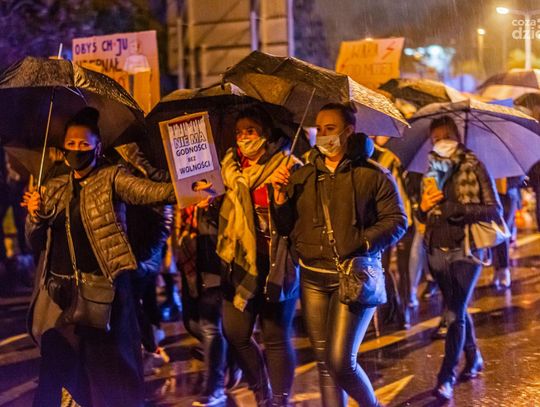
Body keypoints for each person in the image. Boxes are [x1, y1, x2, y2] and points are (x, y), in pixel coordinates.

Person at [23, 107, 176, 407]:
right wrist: (34, 216)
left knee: (107, 378)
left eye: (84, 143)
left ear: (97, 147)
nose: (76, 149)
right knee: (55, 366)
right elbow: (35, 242)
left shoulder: (112, 178)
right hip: (60, 297)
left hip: (104, 297)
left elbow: (148, 192)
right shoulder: (54, 188)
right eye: (71, 143)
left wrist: (185, 190)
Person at [271, 103, 407, 407]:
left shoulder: (372, 174)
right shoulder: (302, 175)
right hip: (313, 278)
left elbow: (397, 221)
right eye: (319, 129)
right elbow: (285, 227)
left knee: (340, 361)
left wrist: (360, 242)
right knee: (324, 363)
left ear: (348, 131)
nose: (323, 135)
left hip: (353, 276)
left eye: (330, 129)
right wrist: (280, 198)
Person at [216, 106, 299, 407]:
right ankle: (261, 391)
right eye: (239, 132)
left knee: (275, 337)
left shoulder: (288, 166)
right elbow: (222, 218)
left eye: (250, 130)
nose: (243, 137)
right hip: (239, 263)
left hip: (276, 263)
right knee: (235, 332)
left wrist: (282, 194)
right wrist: (208, 202)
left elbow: (297, 223)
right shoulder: (228, 170)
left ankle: (279, 400)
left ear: (265, 133)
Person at [417, 116, 501, 401]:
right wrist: (422, 207)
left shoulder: (474, 165)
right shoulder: (430, 169)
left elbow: (494, 209)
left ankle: (446, 377)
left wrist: (456, 208)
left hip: (467, 250)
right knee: (458, 307)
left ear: (457, 136)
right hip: (436, 251)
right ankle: (473, 357)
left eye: (446, 136)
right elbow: (422, 216)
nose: (440, 142)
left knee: (453, 314)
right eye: (435, 139)